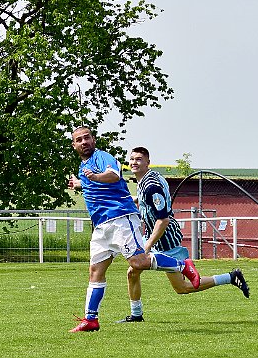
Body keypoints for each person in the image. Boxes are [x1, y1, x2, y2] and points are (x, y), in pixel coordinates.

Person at [68, 126, 200, 332]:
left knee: (138, 262)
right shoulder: (83, 167)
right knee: (95, 271)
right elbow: (93, 186)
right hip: (101, 225)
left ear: (93, 140)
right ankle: (90, 320)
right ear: (74, 145)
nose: (84, 142)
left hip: (120, 218)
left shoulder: (102, 157)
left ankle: (183, 266)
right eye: (79, 140)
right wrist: (80, 183)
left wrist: (93, 177)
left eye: (87, 138)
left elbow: (112, 176)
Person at [118, 146, 250, 323]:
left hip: (165, 240)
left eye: (139, 159)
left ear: (148, 162)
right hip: (153, 235)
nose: (134, 162)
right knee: (132, 272)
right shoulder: (145, 181)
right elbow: (147, 201)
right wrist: (131, 201)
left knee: (182, 288)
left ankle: (230, 277)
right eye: (132, 159)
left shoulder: (151, 186)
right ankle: (136, 314)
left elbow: (162, 220)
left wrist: (147, 245)